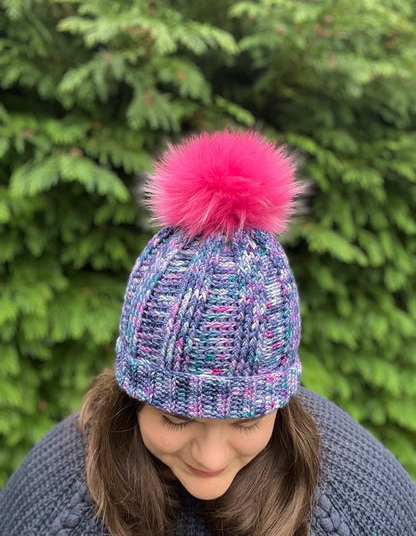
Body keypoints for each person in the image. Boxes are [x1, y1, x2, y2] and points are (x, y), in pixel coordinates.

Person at [0, 130, 415, 536]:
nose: (211, 458)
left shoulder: (361, 502)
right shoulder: (55, 506)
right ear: (133, 398)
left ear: (279, 400)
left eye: (248, 420)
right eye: (176, 418)